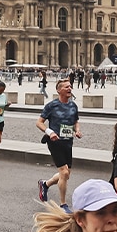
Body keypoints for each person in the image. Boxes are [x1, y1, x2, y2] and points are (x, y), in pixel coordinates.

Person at [36, 79, 81, 209]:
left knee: (66, 174)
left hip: (68, 142)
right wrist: (50, 132)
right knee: (64, 173)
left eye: (70, 86)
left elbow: (76, 122)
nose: (69, 89)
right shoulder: (52, 105)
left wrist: (77, 130)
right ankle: (63, 204)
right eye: (66, 87)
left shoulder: (73, 106)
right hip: (54, 142)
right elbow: (39, 122)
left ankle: (45, 184)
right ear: (59, 90)